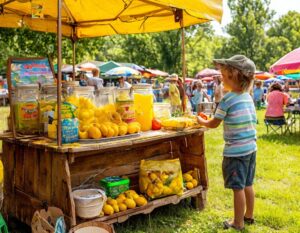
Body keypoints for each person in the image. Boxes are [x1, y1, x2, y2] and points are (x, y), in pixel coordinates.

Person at [197, 55, 257, 231]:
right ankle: (249, 216)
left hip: (236, 152)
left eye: (223, 75)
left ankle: (238, 223)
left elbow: (214, 123)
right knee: (248, 184)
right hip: (251, 148)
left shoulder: (227, 99)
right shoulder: (248, 97)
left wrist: (201, 122)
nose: (221, 78)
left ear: (234, 76)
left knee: (237, 188)